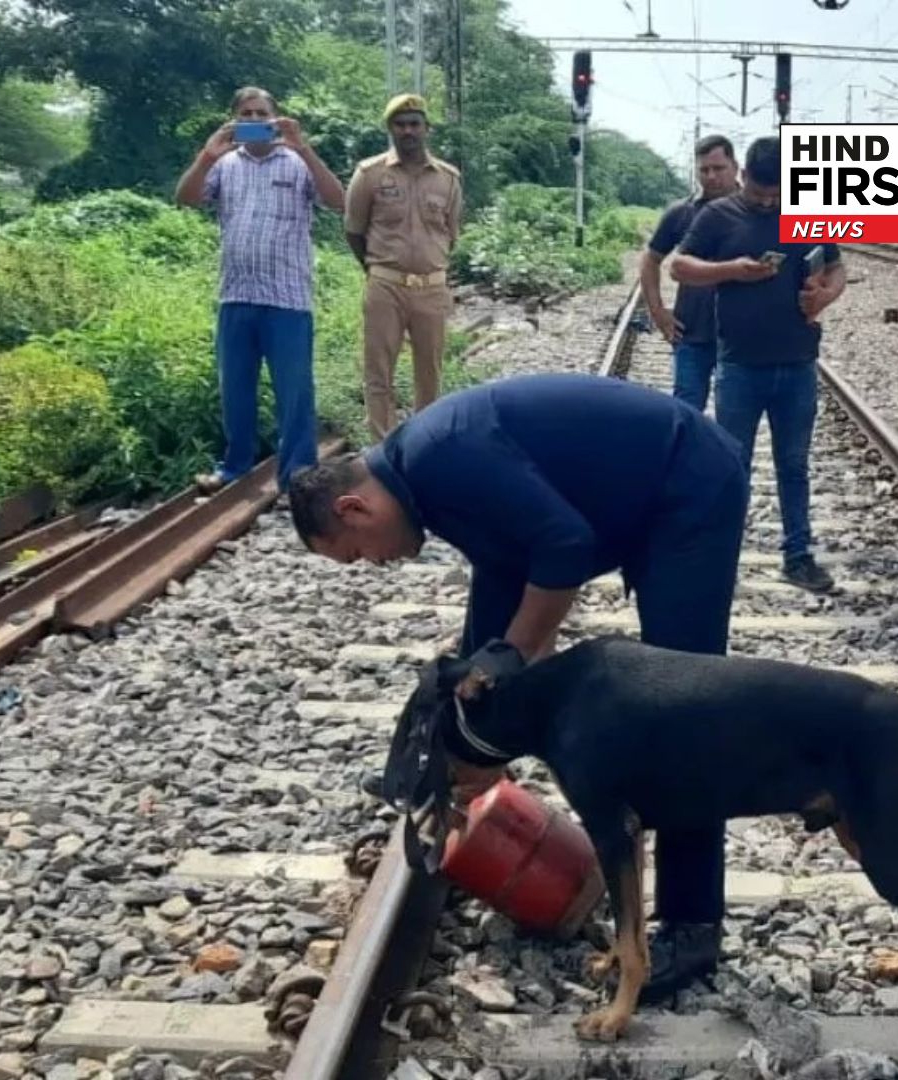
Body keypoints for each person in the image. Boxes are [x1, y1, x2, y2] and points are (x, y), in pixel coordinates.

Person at [287, 371, 751, 1001]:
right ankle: (454, 790)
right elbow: (507, 565)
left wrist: (518, 651)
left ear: (353, 508)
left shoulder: (440, 457)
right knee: (482, 668)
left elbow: (564, 545)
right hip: (638, 497)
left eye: (357, 553)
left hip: (687, 486)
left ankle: (692, 926)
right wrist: (469, 721)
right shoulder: (422, 481)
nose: (375, 563)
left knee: (682, 706)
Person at [670, 137, 848, 594]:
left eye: (777, 194)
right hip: (740, 367)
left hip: (798, 364)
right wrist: (731, 270)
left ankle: (798, 556)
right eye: (760, 193)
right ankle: (720, 557)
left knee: (794, 466)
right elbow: (679, 267)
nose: (769, 202)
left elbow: (836, 268)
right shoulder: (717, 215)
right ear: (744, 176)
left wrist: (825, 295)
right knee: (734, 466)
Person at [176, 86, 347, 494]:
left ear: (275, 118)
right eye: (246, 114)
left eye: (261, 113)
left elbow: (339, 201)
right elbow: (186, 198)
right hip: (236, 296)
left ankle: (297, 475)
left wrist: (304, 148)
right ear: (236, 119)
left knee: (294, 392)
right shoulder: (224, 164)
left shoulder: (297, 163)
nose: (254, 120)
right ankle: (235, 468)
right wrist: (206, 155)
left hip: (287, 299)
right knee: (235, 390)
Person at [344, 94, 463, 439]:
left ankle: (423, 445)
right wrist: (378, 270)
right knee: (378, 372)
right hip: (385, 286)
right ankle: (383, 446)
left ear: (427, 128)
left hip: (432, 288)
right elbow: (354, 231)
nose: (407, 131)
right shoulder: (369, 174)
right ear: (390, 128)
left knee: (430, 372)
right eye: (400, 124)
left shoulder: (448, 179)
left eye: (414, 124)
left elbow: (450, 233)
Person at [640, 135, 740, 410]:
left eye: (718, 168)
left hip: (741, 338)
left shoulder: (755, 210)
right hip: (691, 332)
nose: (711, 176)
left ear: (735, 167)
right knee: (686, 411)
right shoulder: (681, 212)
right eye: (704, 170)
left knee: (733, 416)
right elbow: (650, 259)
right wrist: (658, 312)